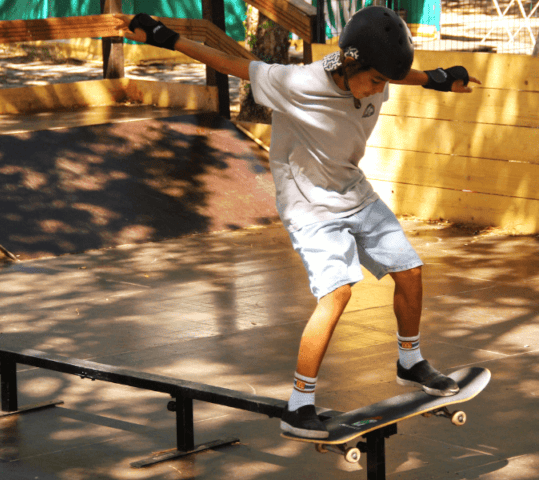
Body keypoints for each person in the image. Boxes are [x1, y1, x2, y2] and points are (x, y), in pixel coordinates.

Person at [118, 6, 481, 439]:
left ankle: (410, 361)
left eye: (385, 81)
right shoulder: (295, 83)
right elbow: (232, 63)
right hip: (307, 204)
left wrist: (438, 79)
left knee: (411, 270)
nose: (378, 91)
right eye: (375, 81)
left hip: (352, 190)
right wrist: (163, 35)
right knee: (338, 293)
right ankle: (299, 405)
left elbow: (395, 73)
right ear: (350, 64)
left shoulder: (361, 68)